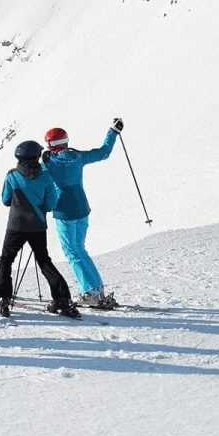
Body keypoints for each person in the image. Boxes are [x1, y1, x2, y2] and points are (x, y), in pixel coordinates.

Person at [42, 119, 123, 308]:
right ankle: (97, 289)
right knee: (80, 250)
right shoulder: (77, 157)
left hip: (64, 212)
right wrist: (113, 131)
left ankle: (90, 292)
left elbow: (37, 174)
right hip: (82, 209)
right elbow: (103, 152)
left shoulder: (49, 163)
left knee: (72, 252)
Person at [0, 141, 78, 317]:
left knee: (6, 260)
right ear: (36, 157)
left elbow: (5, 200)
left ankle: (3, 298)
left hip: (15, 226)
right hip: (37, 226)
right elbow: (51, 204)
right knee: (44, 261)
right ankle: (62, 300)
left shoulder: (12, 176)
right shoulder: (46, 178)